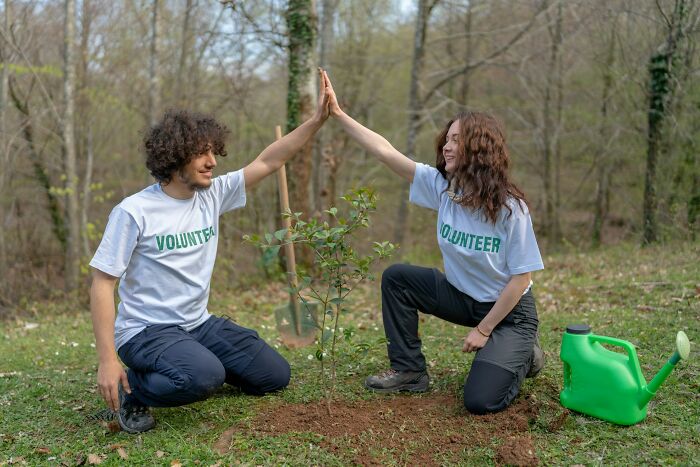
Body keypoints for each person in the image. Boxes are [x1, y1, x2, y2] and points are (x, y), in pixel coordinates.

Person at [89, 69, 330, 433]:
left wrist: (315, 121)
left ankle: (193, 365)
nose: (212, 161)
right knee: (204, 377)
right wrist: (107, 360)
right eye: (200, 153)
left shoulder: (212, 195)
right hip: (145, 331)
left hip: (196, 324)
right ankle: (134, 389)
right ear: (174, 157)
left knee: (274, 376)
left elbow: (269, 161)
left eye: (213, 151)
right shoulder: (133, 211)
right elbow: (102, 283)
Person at [322, 70, 544, 414]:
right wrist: (338, 114)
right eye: (447, 138)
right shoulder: (443, 187)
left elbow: (522, 279)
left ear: (479, 148)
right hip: (462, 297)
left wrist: (485, 331)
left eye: (457, 139)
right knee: (397, 278)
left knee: (480, 401)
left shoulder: (509, 209)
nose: (446, 145)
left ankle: (526, 356)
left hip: (509, 312)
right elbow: (385, 152)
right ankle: (409, 370)